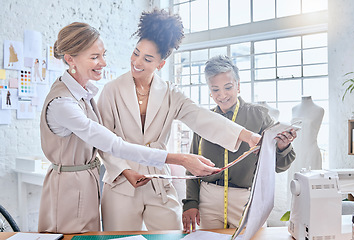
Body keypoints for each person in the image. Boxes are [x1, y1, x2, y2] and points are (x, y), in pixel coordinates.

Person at [38, 22, 219, 234]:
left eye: (103, 54)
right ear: (70, 59)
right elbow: (113, 144)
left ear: (160, 64)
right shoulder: (64, 103)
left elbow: (200, 116)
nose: (103, 63)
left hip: (89, 183)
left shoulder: (83, 93)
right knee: (72, 237)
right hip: (70, 187)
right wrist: (179, 159)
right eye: (95, 57)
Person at [97, 9, 261, 231]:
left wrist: (247, 135)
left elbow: (202, 117)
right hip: (121, 182)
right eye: (136, 53)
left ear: (161, 64)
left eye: (147, 59)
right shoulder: (111, 90)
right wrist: (125, 171)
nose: (137, 62)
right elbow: (103, 141)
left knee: (172, 235)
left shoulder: (170, 94)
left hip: (158, 182)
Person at [182, 55, 297, 232]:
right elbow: (192, 166)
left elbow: (280, 166)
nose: (222, 95)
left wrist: (282, 147)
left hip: (246, 199)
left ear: (238, 86)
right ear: (210, 92)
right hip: (208, 199)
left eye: (228, 87)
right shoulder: (204, 121)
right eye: (215, 90)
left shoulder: (259, 116)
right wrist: (190, 202)